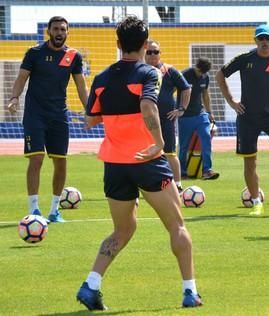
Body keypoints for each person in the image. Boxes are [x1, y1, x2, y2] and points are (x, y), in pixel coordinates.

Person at [76, 16, 202, 310]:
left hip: (115, 164)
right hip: (147, 159)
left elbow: (89, 121)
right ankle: (190, 292)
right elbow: (147, 105)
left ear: (118, 44)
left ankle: (91, 285)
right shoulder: (150, 73)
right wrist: (158, 143)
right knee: (177, 226)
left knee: (122, 230)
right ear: (146, 45)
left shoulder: (103, 78)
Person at [7, 16, 88, 223]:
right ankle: (34, 210)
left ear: (67, 32)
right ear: (48, 32)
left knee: (60, 162)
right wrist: (14, 98)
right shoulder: (34, 53)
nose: (59, 32)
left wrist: (90, 110)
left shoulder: (73, 56)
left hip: (59, 116)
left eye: (63, 29)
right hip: (35, 114)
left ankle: (54, 210)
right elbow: (21, 78)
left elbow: (81, 87)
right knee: (36, 158)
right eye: (56, 29)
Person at [216, 24, 269, 216]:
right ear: (255, 41)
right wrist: (231, 101)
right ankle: (255, 203)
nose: (264, 42)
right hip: (247, 118)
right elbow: (220, 74)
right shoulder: (245, 59)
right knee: (250, 162)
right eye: (261, 39)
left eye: (267, 38)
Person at [144, 39, 191, 192]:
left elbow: (186, 88)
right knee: (145, 152)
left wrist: (181, 108)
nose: (152, 55)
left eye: (155, 51)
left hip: (166, 120)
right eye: (149, 52)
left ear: (160, 53)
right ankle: (146, 185)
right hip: (144, 120)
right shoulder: (140, 70)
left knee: (170, 152)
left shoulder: (169, 70)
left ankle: (177, 184)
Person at [178, 57, 219, 180]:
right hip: (184, 116)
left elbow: (205, 95)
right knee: (183, 145)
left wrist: (209, 112)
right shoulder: (184, 75)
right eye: (200, 71)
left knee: (206, 137)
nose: (201, 74)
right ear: (196, 66)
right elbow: (173, 90)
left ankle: (207, 170)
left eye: (204, 73)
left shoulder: (205, 77)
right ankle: (182, 172)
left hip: (200, 114)